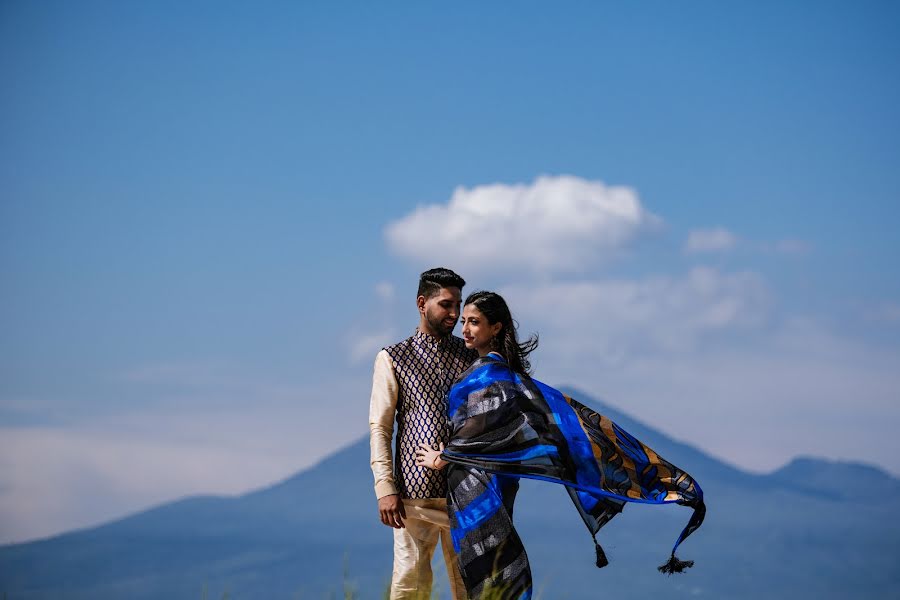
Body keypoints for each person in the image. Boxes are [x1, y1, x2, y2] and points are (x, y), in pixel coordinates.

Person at [416, 291, 706, 600]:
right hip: (480, 480)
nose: (466, 330)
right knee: (486, 561)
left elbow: (481, 435)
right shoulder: (508, 377)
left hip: (480, 483)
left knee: (489, 560)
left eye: (474, 322)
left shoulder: (492, 376)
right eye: (464, 322)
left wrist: (444, 457)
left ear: (496, 327)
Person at [369, 267, 479, 600]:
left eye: (458, 304)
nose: (455, 313)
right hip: (411, 497)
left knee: (472, 585)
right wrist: (385, 487)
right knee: (410, 586)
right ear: (422, 303)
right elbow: (381, 426)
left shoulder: (472, 357)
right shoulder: (393, 358)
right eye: (446, 304)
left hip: (465, 491)